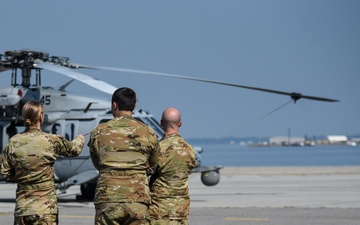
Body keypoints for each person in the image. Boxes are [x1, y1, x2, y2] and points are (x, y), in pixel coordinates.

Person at [0, 100, 85, 225]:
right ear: (41, 116)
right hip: (45, 210)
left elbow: (4, 172)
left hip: (23, 209)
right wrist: (80, 139)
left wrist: (22, 177)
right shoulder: (51, 140)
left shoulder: (14, 142)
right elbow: (74, 150)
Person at [88, 87, 160, 225]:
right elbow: (153, 164)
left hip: (108, 197)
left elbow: (97, 162)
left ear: (114, 105)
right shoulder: (148, 132)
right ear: (134, 106)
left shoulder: (99, 131)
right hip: (138, 198)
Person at [149, 107, 196, 225]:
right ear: (180, 123)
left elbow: (148, 171)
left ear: (161, 123)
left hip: (159, 209)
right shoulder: (189, 149)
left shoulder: (158, 149)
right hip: (181, 209)